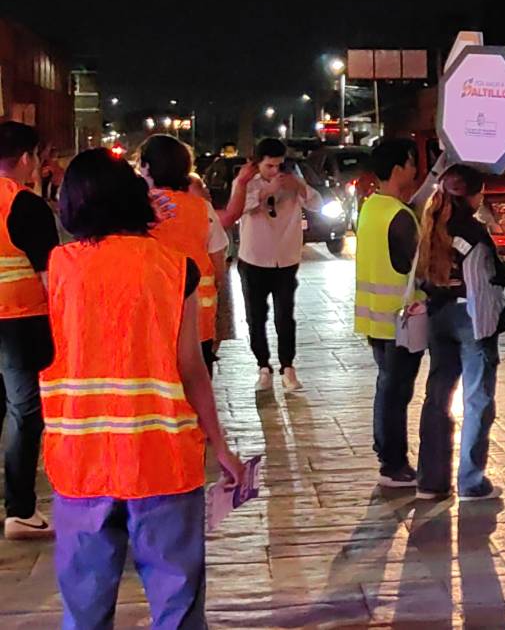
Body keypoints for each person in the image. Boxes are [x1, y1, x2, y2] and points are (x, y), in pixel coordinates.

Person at [44, 149, 243, 627]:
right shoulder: (176, 269)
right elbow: (192, 369)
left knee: (85, 606)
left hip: (79, 461)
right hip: (161, 459)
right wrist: (221, 447)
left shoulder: (59, 266)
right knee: (177, 604)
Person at [415, 164, 505, 501]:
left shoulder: (429, 224)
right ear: (471, 194)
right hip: (471, 318)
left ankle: (431, 481)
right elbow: (484, 285)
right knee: (477, 398)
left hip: (438, 316)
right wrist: (495, 318)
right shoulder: (474, 234)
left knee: (438, 395)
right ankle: (470, 480)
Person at [0, 122, 59, 540]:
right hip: (19, 324)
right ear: (25, 158)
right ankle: (20, 510)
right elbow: (49, 278)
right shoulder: (25, 205)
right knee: (24, 415)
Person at [355, 139, 425, 488]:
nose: (415, 170)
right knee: (396, 393)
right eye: (412, 163)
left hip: (375, 319)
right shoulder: (400, 217)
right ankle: (394, 463)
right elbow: (416, 267)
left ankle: (386, 453)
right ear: (398, 168)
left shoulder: (371, 208)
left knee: (387, 388)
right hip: (401, 320)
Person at [140, 135, 229, 375]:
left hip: (151, 322)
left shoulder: (134, 211)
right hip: (199, 322)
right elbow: (218, 261)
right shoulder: (202, 209)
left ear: (146, 167)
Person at [237, 138, 321, 392]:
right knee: (256, 316)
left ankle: (288, 367)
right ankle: (263, 366)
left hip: (285, 260)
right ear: (258, 163)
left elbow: (317, 203)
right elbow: (240, 207)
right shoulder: (246, 183)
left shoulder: (292, 182)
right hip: (254, 259)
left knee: (285, 315)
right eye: (269, 166)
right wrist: (266, 191)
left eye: (279, 165)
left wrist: (299, 187)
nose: (275, 171)